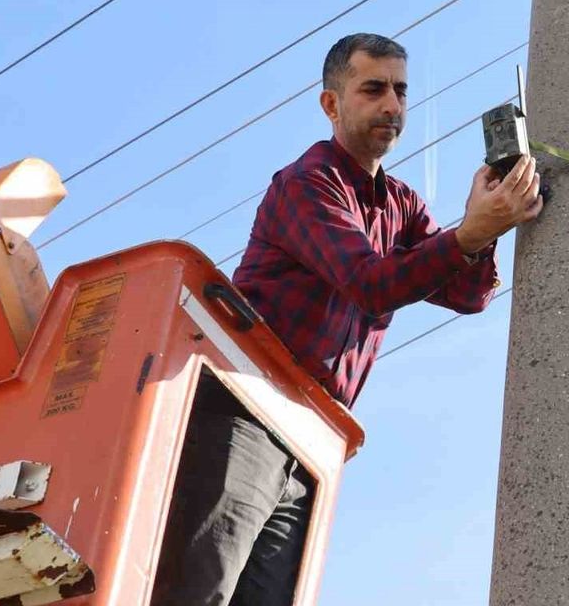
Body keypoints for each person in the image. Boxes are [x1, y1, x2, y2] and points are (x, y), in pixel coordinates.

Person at [153, 33, 543, 604]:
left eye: (401, 91)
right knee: (200, 591)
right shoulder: (308, 184)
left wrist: (481, 228)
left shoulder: (400, 203)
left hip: (309, 439)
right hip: (248, 413)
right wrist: (471, 231)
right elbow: (369, 283)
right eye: (374, 89)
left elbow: (466, 294)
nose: (393, 105)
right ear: (331, 104)